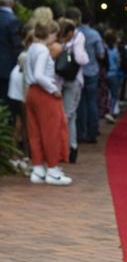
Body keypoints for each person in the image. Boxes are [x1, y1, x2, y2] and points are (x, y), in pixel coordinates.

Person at [23, 20, 72, 186]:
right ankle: (52, 169)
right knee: (51, 131)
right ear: (50, 34)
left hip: (32, 92)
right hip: (44, 94)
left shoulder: (32, 48)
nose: (56, 38)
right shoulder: (43, 50)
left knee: (35, 132)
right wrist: (53, 88)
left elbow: (32, 74)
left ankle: (38, 168)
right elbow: (39, 75)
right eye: (55, 34)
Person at [65, 7, 104, 143]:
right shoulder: (94, 34)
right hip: (91, 70)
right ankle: (92, 132)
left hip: (75, 72)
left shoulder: (72, 33)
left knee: (79, 103)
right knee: (92, 101)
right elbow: (101, 53)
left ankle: (80, 132)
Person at [57, 18, 89, 162]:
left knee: (68, 114)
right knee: (69, 114)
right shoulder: (79, 38)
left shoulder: (58, 39)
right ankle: (69, 146)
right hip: (73, 78)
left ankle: (68, 146)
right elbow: (81, 58)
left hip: (59, 78)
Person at [0, 0, 23, 106]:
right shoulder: (13, 21)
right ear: (12, 2)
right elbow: (17, 45)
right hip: (7, 68)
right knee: (8, 104)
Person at [103, 30, 123, 122]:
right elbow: (118, 62)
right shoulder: (115, 50)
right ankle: (111, 111)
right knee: (114, 94)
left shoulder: (104, 49)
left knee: (106, 94)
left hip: (105, 74)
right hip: (114, 74)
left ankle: (106, 110)